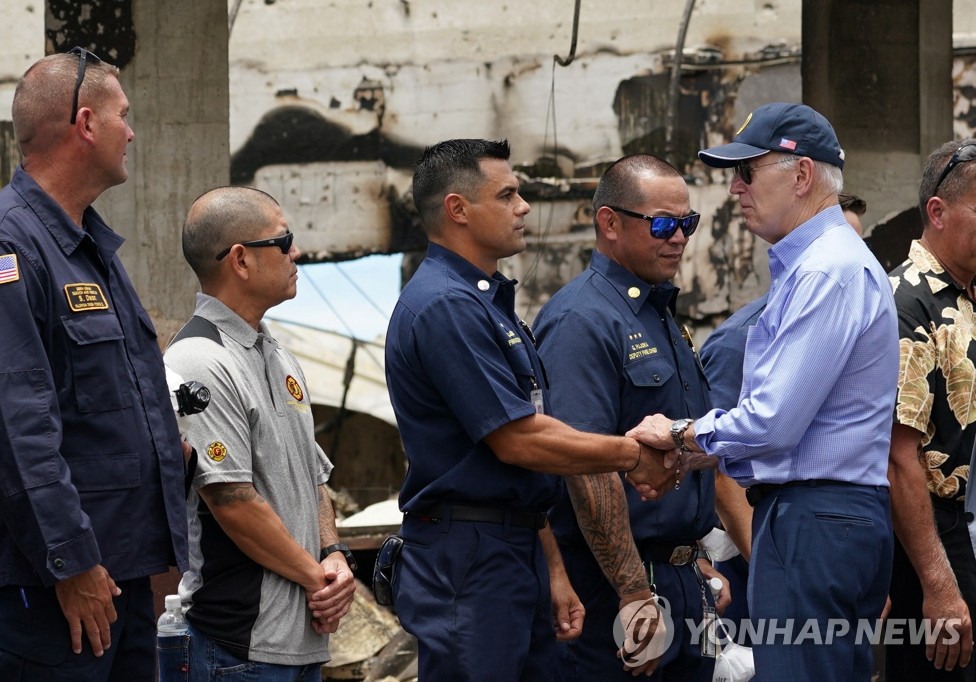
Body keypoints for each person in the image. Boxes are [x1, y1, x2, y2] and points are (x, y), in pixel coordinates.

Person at [384, 138, 674, 681]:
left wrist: (554, 568)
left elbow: (523, 465)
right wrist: (630, 454)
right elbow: (518, 441)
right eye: (509, 194)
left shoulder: (485, 303)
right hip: (468, 557)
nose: (524, 208)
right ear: (458, 209)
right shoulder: (446, 305)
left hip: (513, 544)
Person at [630, 102, 899, 680]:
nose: (734, 188)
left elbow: (773, 421)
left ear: (801, 175)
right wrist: (692, 451)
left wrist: (678, 435)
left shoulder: (827, 269)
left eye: (748, 171)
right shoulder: (821, 267)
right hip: (823, 515)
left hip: (816, 516)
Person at [0, 48, 188, 679]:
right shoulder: (2, 245)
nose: (131, 131)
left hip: (120, 579)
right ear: (86, 124)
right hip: (58, 589)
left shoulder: (89, 250)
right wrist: (73, 561)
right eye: (123, 115)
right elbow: (9, 417)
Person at [533, 153, 729, 681]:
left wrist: (692, 562)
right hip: (616, 583)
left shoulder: (659, 314)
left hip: (680, 576)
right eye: (663, 224)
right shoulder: (582, 318)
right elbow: (584, 463)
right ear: (610, 223)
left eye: (688, 223)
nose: (679, 238)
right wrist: (633, 592)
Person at [163, 187, 356, 680]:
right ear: (241, 260)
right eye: (283, 240)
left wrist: (333, 554)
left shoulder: (277, 354)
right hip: (236, 646)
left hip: (297, 643)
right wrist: (320, 579)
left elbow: (312, 480)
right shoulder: (199, 360)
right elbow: (232, 500)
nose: (297, 252)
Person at [700, 192, 870, 629]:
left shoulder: (858, 323)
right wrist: (778, 575)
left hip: (830, 545)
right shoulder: (742, 337)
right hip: (759, 550)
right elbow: (719, 466)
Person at [884, 139, 976, 679]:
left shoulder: (965, 295)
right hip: (929, 538)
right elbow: (898, 458)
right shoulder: (906, 300)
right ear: (937, 212)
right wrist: (938, 584)